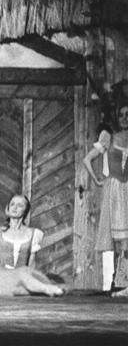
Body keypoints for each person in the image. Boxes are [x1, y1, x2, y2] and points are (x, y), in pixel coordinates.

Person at [82, 102, 128, 297]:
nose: (125, 118)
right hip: (114, 189)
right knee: (118, 236)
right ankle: (116, 282)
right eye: (121, 115)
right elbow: (87, 159)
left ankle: (123, 282)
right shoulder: (108, 137)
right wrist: (97, 180)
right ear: (116, 117)